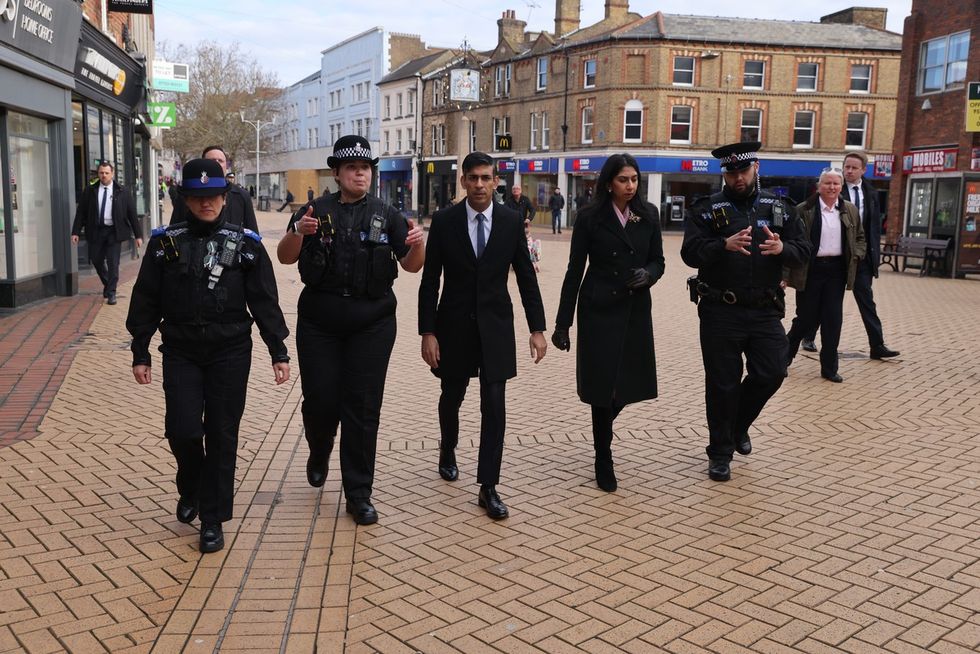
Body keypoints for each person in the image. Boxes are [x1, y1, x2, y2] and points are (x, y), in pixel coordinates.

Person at [126, 158, 290, 553]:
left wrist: (278, 350)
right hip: (180, 350)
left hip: (230, 351)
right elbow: (145, 299)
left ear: (224, 195)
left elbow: (264, 301)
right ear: (186, 198)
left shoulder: (246, 245)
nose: (206, 203)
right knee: (183, 430)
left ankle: (212, 518)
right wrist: (141, 349)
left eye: (213, 196)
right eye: (198, 197)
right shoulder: (165, 243)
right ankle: (192, 487)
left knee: (221, 434)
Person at [277, 135, 425, 526]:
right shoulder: (313, 211)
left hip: (371, 322)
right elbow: (285, 256)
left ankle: (359, 494)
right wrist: (298, 232)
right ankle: (319, 447)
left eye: (366, 168)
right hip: (320, 321)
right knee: (321, 402)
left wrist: (418, 244)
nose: (361, 174)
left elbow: (411, 266)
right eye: (353, 168)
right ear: (338, 173)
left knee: (362, 408)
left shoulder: (387, 214)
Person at [419, 151, 547, 519]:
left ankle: (488, 486)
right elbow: (430, 283)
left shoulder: (510, 222)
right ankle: (448, 447)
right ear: (463, 182)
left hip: (495, 330)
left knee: (494, 406)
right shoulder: (444, 222)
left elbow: (525, 277)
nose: (479, 184)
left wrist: (536, 328)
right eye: (472, 178)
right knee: (452, 396)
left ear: (495, 181)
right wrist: (428, 332)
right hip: (454, 327)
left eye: (485, 178)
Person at [681, 141, 810, 482]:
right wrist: (722, 245)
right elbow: (689, 253)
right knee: (722, 384)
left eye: (743, 171)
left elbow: (803, 250)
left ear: (756, 168)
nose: (738, 178)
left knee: (773, 372)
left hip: (766, 309)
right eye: (731, 172)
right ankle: (720, 453)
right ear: (723, 173)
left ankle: (738, 426)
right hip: (720, 309)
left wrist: (784, 248)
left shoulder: (781, 207)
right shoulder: (707, 209)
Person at [551, 154, 665, 491]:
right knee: (603, 386)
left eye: (634, 179)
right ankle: (604, 455)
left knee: (629, 383)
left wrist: (650, 275)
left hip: (634, 308)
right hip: (598, 309)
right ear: (608, 183)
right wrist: (562, 324)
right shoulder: (589, 218)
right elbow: (575, 271)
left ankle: (603, 429)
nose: (630, 186)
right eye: (623, 180)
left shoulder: (648, 214)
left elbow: (658, 260)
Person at [800, 151, 899, 360]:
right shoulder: (833, 186)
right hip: (836, 258)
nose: (849, 171)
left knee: (867, 301)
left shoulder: (871, 193)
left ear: (863, 170)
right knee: (823, 301)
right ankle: (808, 336)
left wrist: (869, 255)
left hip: (861, 258)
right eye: (847, 167)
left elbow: (872, 228)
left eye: (854, 167)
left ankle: (877, 344)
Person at [785, 168, 866, 383]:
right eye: (827, 183)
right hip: (811, 270)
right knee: (805, 319)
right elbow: (790, 242)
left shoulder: (850, 210)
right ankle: (783, 358)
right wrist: (783, 275)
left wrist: (856, 255)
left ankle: (829, 368)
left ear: (841, 187)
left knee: (833, 320)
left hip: (836, 272)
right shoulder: (804, 209)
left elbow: (860, 237)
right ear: (819, 186)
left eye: (836, 184)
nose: (832, 187)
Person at [71, 161, 144, 305]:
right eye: (101, 173)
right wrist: (76, 232)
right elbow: (81, 213)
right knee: (96, 260)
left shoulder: (122, 191)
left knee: (113, 263)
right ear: (98, 174)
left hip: (114, 232)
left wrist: (138, 235)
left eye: (106, 173)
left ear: (112, 174)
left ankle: (111, 293)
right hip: (96, 231)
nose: (103, 176)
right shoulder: (90, 191)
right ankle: (107, 283)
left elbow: (132, 214)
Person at [170, 146, 258, 233]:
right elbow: (174, 230)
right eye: (212, 160)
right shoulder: (185, 194)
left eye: (220, 161)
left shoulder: (242, 195)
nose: (205, 203)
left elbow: (252, 231)